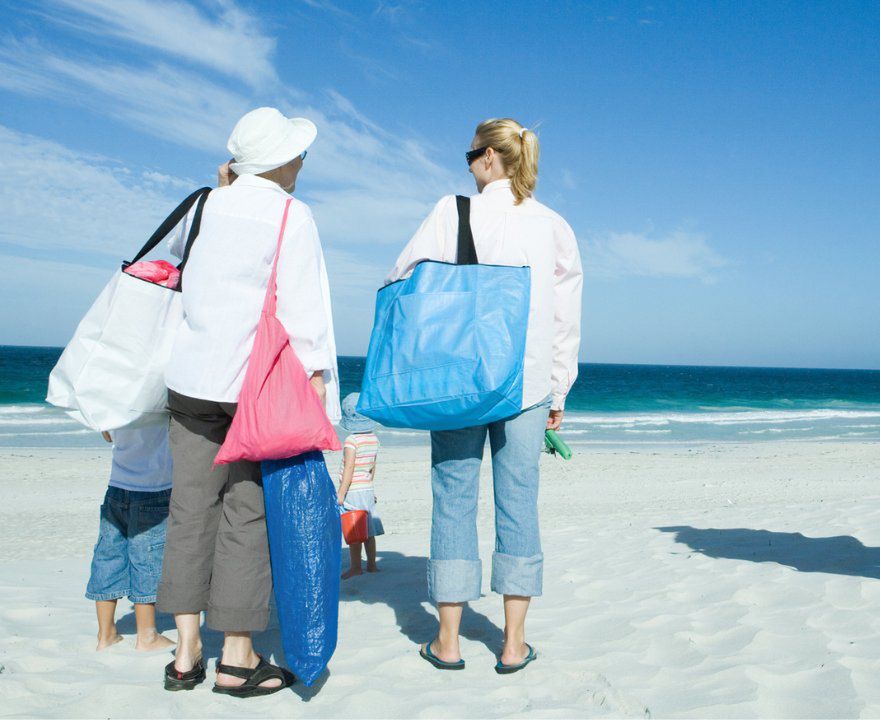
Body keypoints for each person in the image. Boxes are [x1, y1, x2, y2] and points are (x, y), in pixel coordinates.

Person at [385, 118, 582, 673]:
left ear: (491, 158)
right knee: (518, 504)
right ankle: (513, 644)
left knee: (453, 499)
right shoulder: (553, 225)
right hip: (528, 381)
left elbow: (402, 276)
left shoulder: (452, 212)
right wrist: (559, 387)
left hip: (459, 380)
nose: (468, 166)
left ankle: (447, 642)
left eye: (470, 155)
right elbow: (566, 317)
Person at [157, 107, 340, 695]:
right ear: (283, 160)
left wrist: (226, 182)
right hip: (249, 388)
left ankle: (186, 654)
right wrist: (315, 381)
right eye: (298, 154)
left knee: (189, 509)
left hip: (188, 380)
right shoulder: (291, 213)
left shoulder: (206, 204)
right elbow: (304, 309)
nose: (302, 163)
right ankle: (236, 658)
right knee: (246, 512)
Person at [87, 425, 176, 652]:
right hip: (154, 489)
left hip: (117, 488)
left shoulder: (113, 407)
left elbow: (107, 434)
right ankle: (147, 635)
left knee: (108, 557)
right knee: (146, 559)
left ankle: (105, 633)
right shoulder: (159, 401)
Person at [337, 392, 384, 579]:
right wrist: (370, 487)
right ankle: (372, 565)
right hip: (367, 488)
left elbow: (349, 468)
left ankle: (356, 567)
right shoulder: (373, 439)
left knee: (354, 529)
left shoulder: (351, 441)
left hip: (353, 491)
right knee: (368, 530)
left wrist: (341, 493)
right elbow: (372, 467)